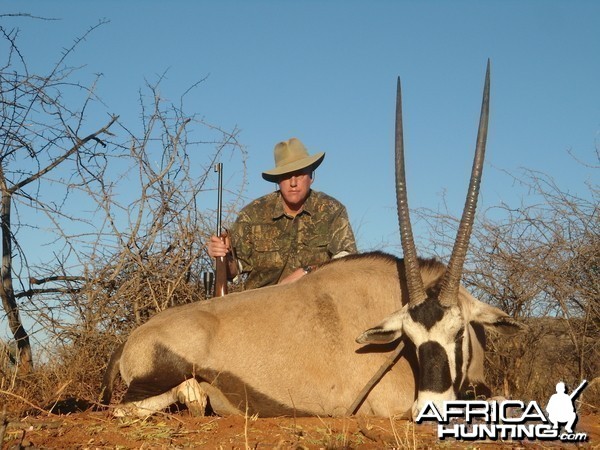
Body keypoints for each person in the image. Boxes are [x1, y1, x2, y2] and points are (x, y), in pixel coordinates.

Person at [207, 137, 357, 290]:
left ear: (311, 176)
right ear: (277, 180)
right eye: (286, 175)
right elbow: (234, 270)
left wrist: (308, 271)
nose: (293, 182)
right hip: (261, 304)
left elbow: (348, 261)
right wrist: (222, 257)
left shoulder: (332, 210)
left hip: (315, 300)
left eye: (300, 173)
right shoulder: (251, 215)